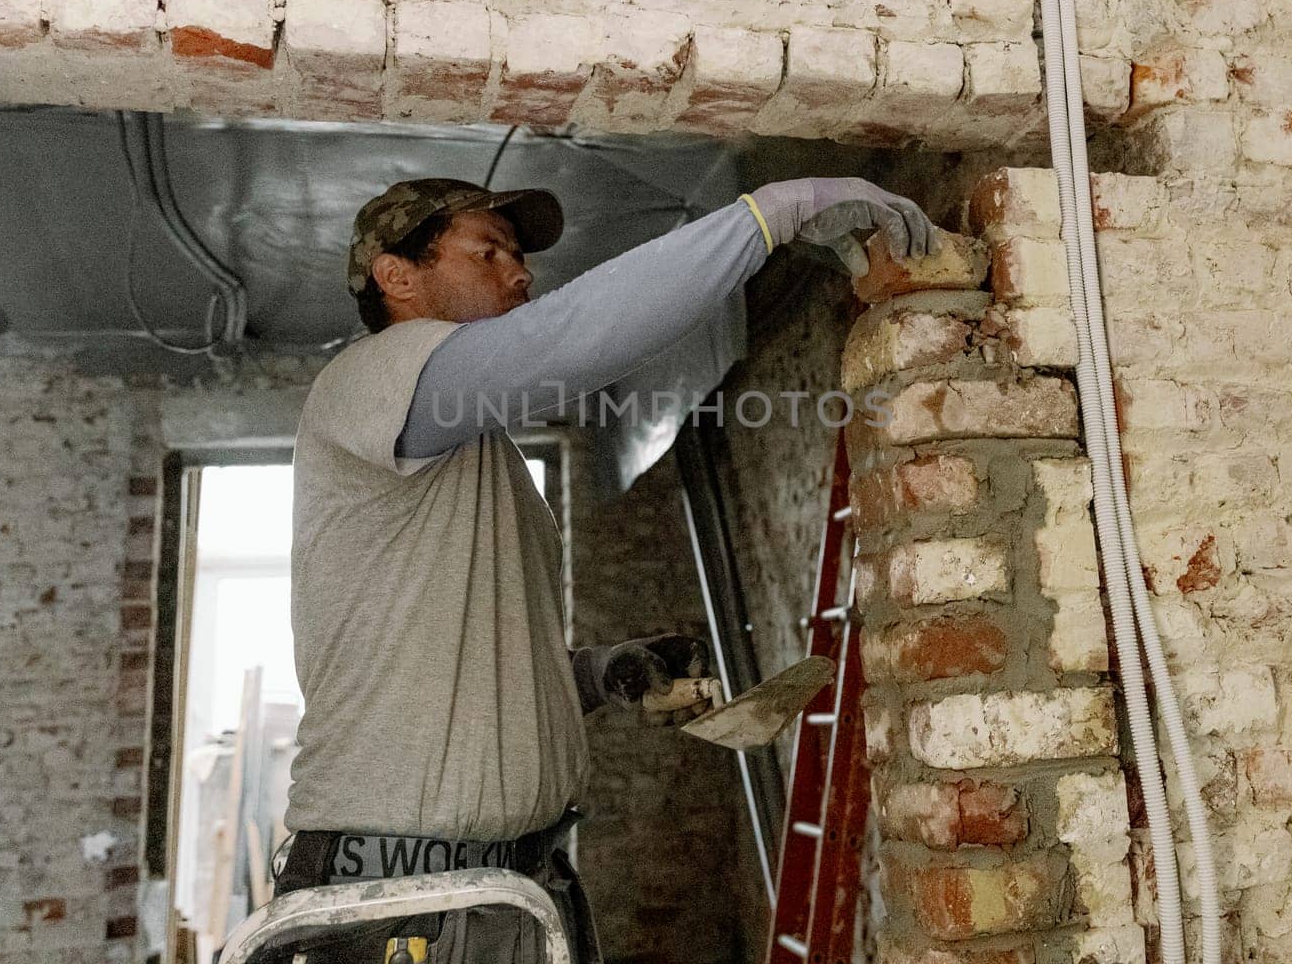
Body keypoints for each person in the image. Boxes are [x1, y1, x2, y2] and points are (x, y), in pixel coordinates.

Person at [271, 175, 936, 963]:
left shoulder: (471, 454)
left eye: (519, 257)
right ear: (397, 277)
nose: (519, 273)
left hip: (497, 889)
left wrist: (595, 674)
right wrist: (769, 217)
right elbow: (565, 339)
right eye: (487, 251)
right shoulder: (371, 375)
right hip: (405, 902)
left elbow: (451, 675)